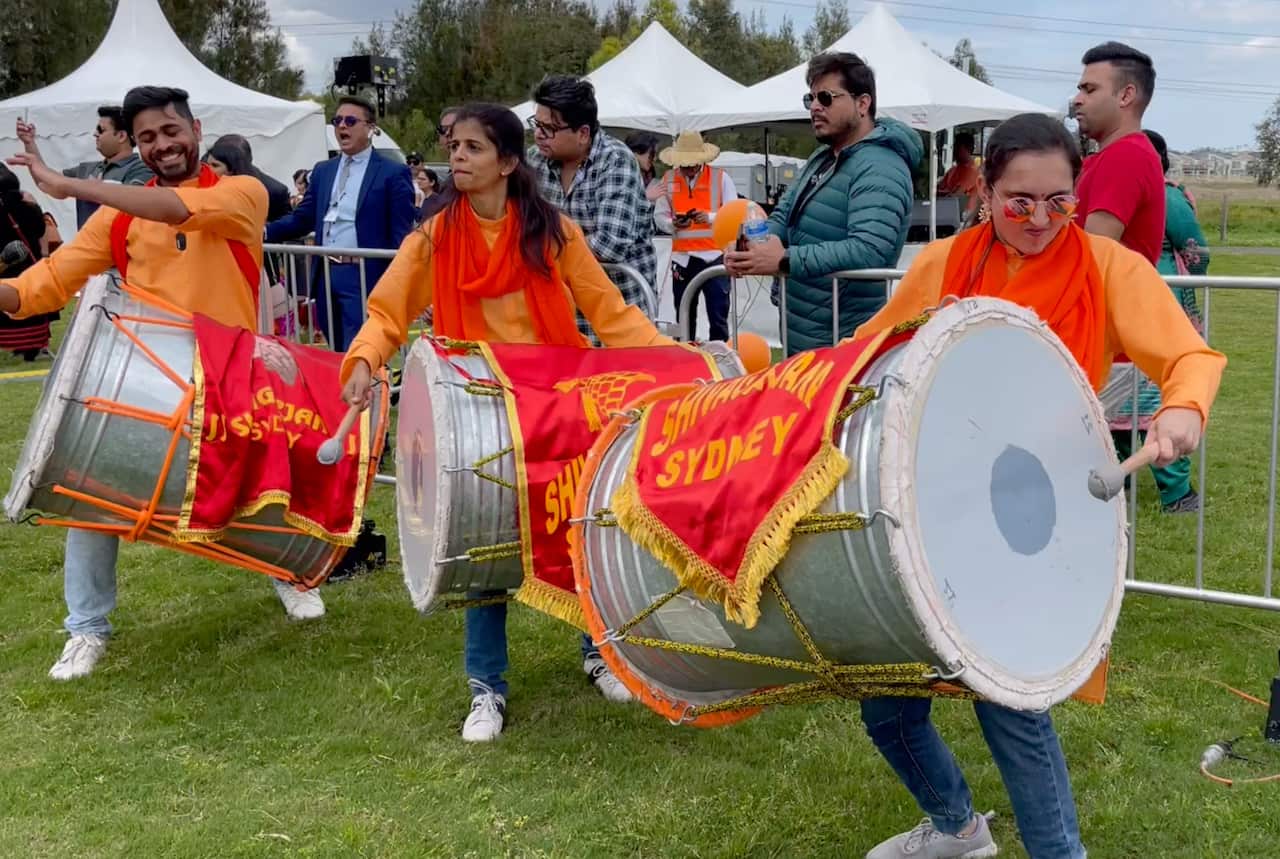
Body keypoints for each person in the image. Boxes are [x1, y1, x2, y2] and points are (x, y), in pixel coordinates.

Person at [850, 113, 1224, 859]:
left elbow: (1189, 355)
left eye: (1061, 201)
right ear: (984, 192)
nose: (1042, 219)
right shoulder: (943, 263)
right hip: (930, 501)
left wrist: (1182, 410)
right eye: (1020, 201)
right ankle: (957, 829)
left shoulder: (1108, 268)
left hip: (1032, 514)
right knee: (888, 696)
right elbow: (869, 356)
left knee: (1010, 708)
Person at [339, 103, 666, 742]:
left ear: (509, 162)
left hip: (559, 406)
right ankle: (485, 687)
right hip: (481, 413)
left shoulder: (554, 233)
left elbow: (612, 315)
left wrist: (669, 362)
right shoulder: (433, 237)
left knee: (582, 530)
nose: (457, 157)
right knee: (483, 549)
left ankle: (599, 651)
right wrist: (364, 358)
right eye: (453, 145)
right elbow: (389, 311)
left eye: (472, 148)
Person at [0, 86, 327, 682]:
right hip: (143, 382)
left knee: (258, 485)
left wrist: (68, 184)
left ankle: (289, 572)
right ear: (136, 145)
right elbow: (39, 288)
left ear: (195, 128)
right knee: (88, 495)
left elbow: (178, 210)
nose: (162, 146)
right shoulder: (118, 216)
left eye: (170, 131)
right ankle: (85, 629)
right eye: (147, 137)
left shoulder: (241, 194)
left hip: (232, 374)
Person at [724, 52, 922, 354]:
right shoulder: (823, 157)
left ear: (862, 103)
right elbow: (784, 215)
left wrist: (785, 260)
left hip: (845, 344)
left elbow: (870, 249)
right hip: (805, 336)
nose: (815, 107)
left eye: (826, 98)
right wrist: (750, 248)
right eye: (811, 98)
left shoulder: (882, 167)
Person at [1071, 42, 1196, 512]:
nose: (1077, 98)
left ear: (1126, 96)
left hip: (1103, 338)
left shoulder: (1125, 157)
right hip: (1100, 334)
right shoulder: (1108, 157)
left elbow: (1090, 257)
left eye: (1088, 87)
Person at [1097, 129, 1209, 514]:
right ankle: (1119, 483)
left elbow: (1195, 250)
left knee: (1155, 396)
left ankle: (1173, 491)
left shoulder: (1167, 195)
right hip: (1125, 301)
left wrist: (1183, 295)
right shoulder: (1106, 186)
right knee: (1119, 401)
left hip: (1152, 299)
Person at [265, 96, 415, 351]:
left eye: (350, 121)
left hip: (365, 273)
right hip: (325, 272)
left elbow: (400, 234)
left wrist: (397, 282)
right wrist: (265, 231)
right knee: (334, 350)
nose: (341, 127)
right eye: (337, 121)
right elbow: (303, 218)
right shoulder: (324, 170)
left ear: (370, 128)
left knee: (360, 349)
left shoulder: (392, 172)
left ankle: (369, 389)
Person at [527, 75, 658, 334]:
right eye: (536, 124)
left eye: (549, 128)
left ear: (583, 133)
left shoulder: (616, 160)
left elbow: (610, 246)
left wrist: (544, 248)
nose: (538, 135)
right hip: (560, 315)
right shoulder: (534, 161)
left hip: (617, 313)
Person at [653, 130, 738, 341]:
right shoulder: (668, 179)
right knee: (683, 317)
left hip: (714, 257)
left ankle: (720, 359)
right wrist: (673, 224)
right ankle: (686, 358)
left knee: (718, 315)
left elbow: (735, 214)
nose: (688, 168)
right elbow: (659, 215)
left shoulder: (721, 178)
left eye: (691, 163)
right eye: (684, 163)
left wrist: (708, 218)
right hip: (682, 259)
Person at [16, 106, 153, 229]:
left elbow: (133, 203)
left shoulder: (142, 170)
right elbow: (46, 183)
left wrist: (81, 187)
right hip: (88, 252)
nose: (95, 134)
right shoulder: (87, 169)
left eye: (101, 130)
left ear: (121, 136)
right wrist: (29, 143)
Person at [0, 164, 50, 360]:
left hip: (5, 269)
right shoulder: (28, 203)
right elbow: (39, 230)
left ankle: (9, 346)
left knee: (7, 306)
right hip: (30, 267)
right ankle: (34, 347)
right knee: (30, 302)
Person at [207, 134, 292, 222]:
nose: (206, 169)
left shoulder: (274, 192)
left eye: (215, 165)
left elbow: (285, 231)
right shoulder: (205, 174)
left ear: (234, 167)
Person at [418, 107, 460, 223]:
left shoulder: (477, 175)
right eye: (442, 129)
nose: (447, 134)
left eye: (453, 128)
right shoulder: (450, 180)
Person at [937, 131, 980, 223]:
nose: (954, 150)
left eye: (957, 147)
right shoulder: (953, 170)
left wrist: (943, 193)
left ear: (967, 148)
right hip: (946, 215)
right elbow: (938, 189)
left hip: (964, 219)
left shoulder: (972, 171)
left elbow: (956, 195)